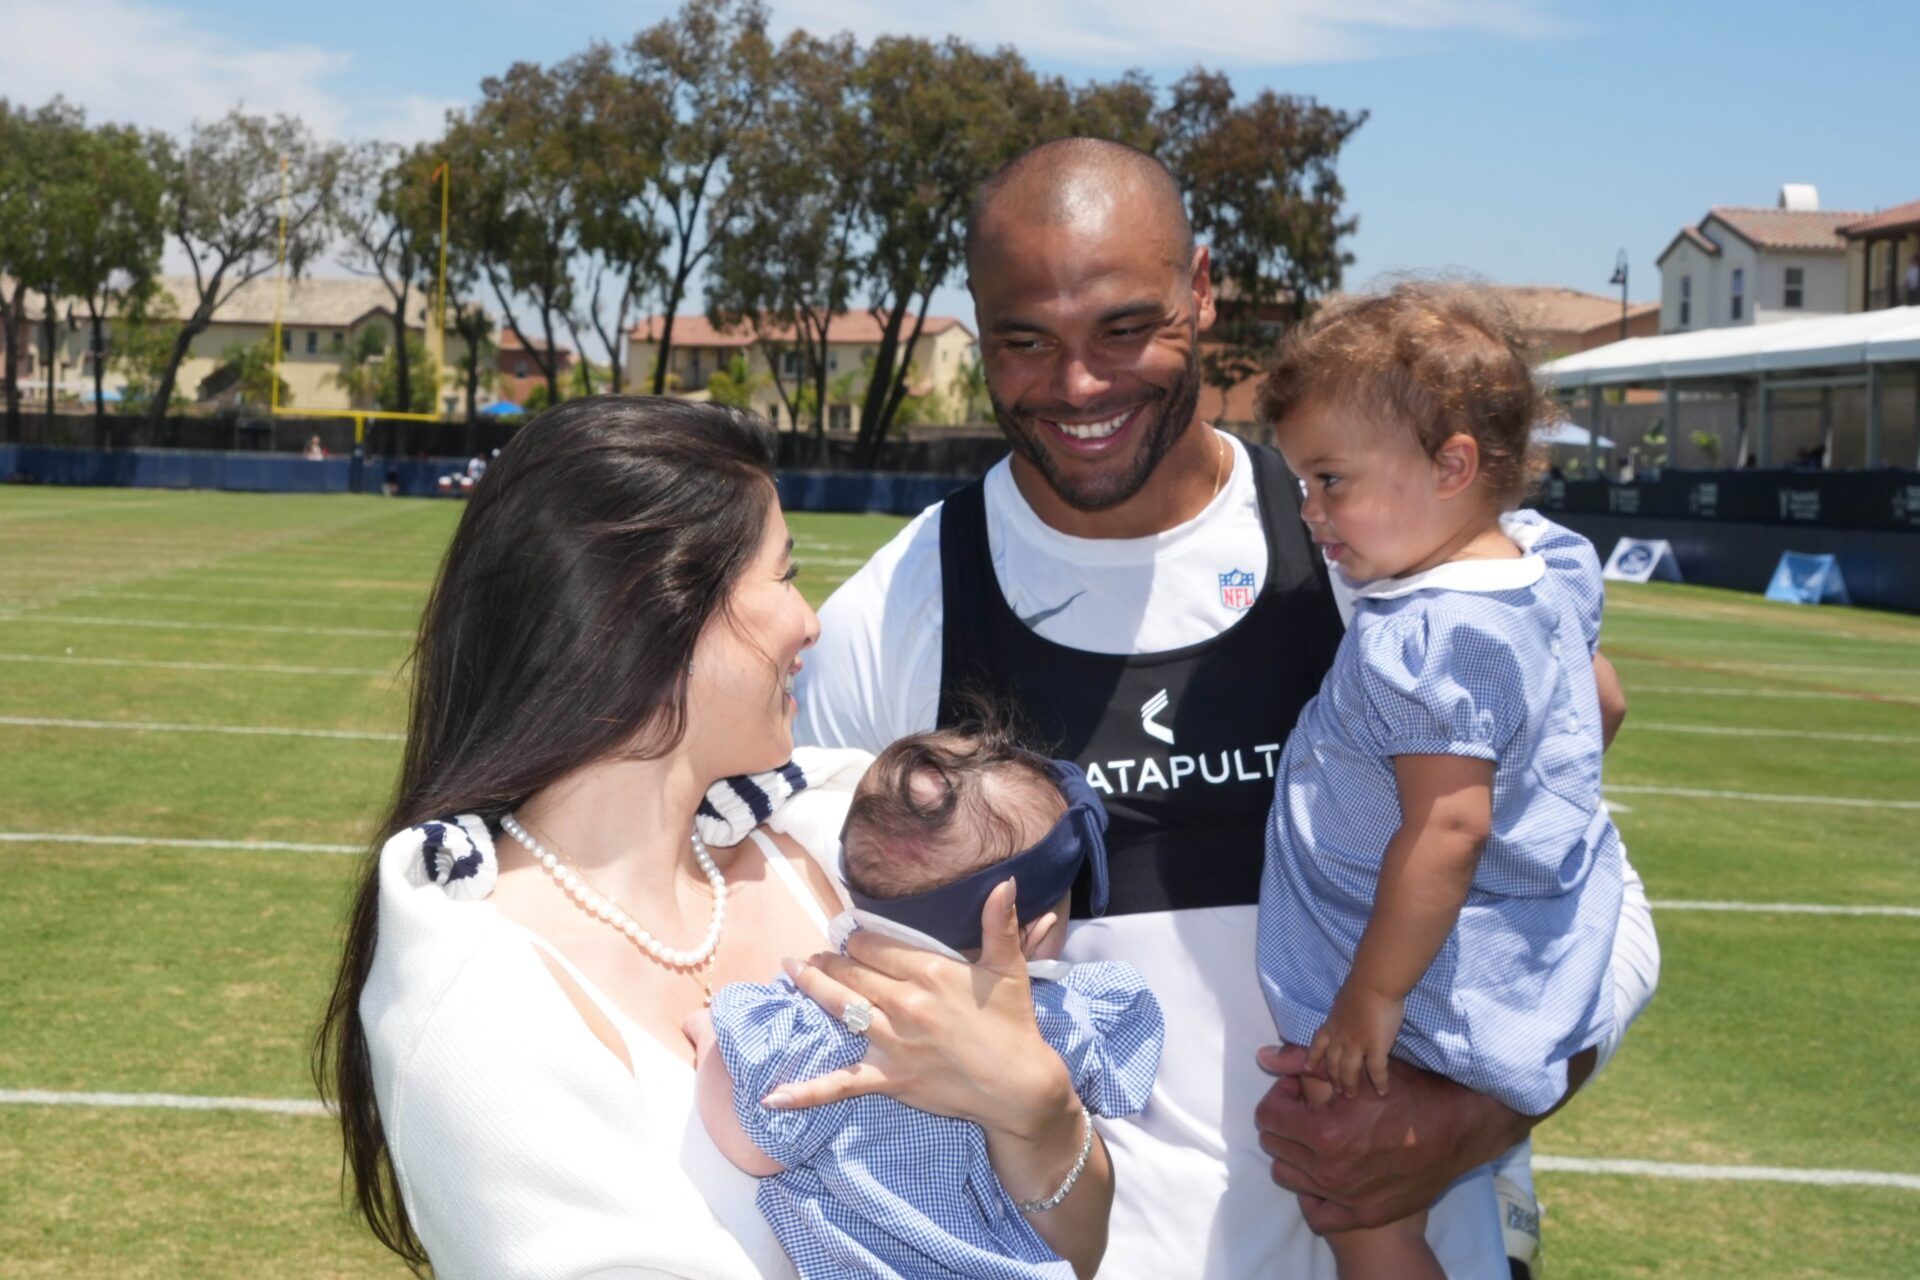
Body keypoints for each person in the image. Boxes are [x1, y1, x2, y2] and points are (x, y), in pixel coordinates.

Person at [792, 138, 1661, 1278]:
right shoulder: (898, 611)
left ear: (1202, 289)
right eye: (1025, 341)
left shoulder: (1380, 557)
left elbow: (1597, 904)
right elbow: (807, 974)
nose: (1079, 384)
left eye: (1124, 326)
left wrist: (1482, 1117)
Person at [314, 397, 1115, 1278]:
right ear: (659, 609)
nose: (809, 620)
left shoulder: (841, 852)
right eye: (783, 574)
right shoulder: (475, 1002)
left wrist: (1042, 1115)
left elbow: (1070, 1248)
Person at [1255, 284, 1627, 1278]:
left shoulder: (1432, 633)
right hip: (1497, 951)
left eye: (1331, 479)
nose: (1310, 510)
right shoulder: (1543, 563)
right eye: (1302, 480)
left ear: (1453, 464)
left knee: (1356, 1205)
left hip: (1417, 986)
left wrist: (1371, 998)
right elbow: (1607, 707)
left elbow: (1449, 827)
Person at [690, 725, 1164, 1280]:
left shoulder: (826, 1031)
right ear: (1033, 932)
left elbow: (755, 1144)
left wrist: (712, 1045)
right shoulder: (1064, 1022)